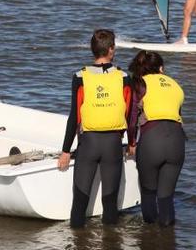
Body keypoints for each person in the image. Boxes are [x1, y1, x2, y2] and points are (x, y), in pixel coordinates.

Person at [57, 29, 133, 228]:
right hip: (113, 145)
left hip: (88, 145)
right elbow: (130, 114)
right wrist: (131, 143)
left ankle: (78, 241)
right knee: (110, 204)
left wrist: (65, 151)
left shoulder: (80, 76)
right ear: (111, 50)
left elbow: (74, 116)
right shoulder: (124, 77)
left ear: (93, 50)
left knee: (79, 203)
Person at [127, 50, 185, 227]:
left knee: (148, 193)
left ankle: (150, 238)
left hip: (152, 141)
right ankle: (167, 239)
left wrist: (132, 144)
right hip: (177, 141)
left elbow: (132, 119)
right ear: (161, 68)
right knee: (166, 198)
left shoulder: (139, 83)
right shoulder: (175, 84)